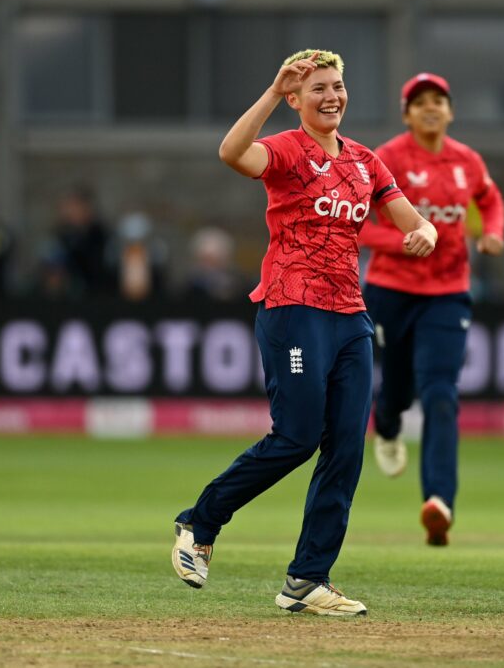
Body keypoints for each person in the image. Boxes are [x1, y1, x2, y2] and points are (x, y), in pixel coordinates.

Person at [171, 49, 437, 617]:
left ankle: (307, 580)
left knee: (344, 449)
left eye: (337, 86)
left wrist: (426, 235)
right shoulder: (287, 150)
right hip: (293, 307)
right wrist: (270, 91)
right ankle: (200, 522)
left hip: (350, 317)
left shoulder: (366, 160)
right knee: (296, 436)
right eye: (317, 89)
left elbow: (411, 220)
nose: (332, 97)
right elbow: (231, 153)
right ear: (295, 99)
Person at [359, 73, 504, 546]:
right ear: (405, 114)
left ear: (450, 111)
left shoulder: (467, 161)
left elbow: (490, 197)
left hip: (447, 291)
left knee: (441, 392)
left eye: (438, 101)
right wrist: (404, 241)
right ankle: (385, 423)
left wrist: (491, 231)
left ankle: (439, 501)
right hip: (391, 289)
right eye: (419, 102)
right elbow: (357, 224)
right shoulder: (387, 158)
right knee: (398, 386)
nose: (430, 108)